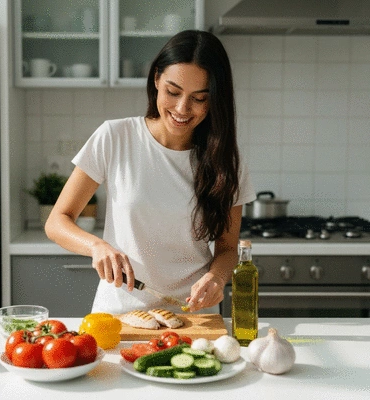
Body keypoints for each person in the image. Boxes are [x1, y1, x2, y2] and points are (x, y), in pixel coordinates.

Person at [45, 30, 256, 315]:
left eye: (199, 98)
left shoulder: (226, 159)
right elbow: (57, 221)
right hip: (119, 313)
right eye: (173, 92)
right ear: (156, 79)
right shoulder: (115, 136)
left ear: (214, 100)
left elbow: (228, 248)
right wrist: (96, 246)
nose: (182, 108)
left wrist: (217, 278)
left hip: (193, 316)